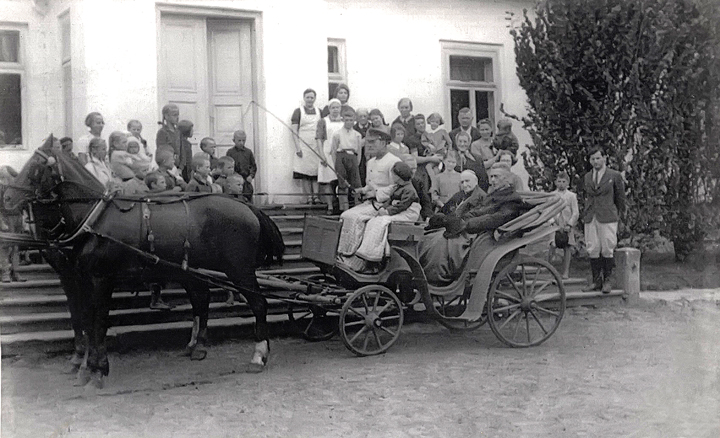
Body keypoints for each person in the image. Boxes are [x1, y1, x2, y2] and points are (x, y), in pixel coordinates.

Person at [419, 165, 525, 286]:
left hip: (486, 237)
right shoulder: (495, 195)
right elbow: (480, 211)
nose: (492, 180)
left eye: (496, 177)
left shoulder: (512, 200)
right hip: (478, 232)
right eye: (491, 177)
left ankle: (438, 277)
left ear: (507, 179)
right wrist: (461, 219)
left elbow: (494, 218)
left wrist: (467, 224)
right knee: (434, 236)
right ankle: (427, 274)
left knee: (443, 242)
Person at [337, 127, 402, 259]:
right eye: (368, 142)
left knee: (353, 218)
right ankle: (344, 254)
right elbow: (369, 185)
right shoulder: (370, 162)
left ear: (383, 143)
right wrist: (362, 190)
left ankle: (354, 257)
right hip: (369, 204)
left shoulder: (394, 161)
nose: (369, 145)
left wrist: (375, 194)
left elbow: (396, 188)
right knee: (345, 216)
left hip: (384, 205)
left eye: (373, 142)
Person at [350, 161, 421, 269]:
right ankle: (368, 250)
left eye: (393, 174)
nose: (392, 176)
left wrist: (388, 212)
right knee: (373, 220)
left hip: (408, 213)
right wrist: (383, 208)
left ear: (399, 176)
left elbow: (403, 205)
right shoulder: (397, 187)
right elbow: (390, 200)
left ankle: (375, 253)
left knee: (381, 221)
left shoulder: (409, 190)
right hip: (399, 210)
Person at [582, 146, 626, 293]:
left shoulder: (614, 175)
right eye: (593, 159)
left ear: (604, 158)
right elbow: (587, 196)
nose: (595, 161)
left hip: (607, 216)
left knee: (607, 247)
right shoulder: (587, 177)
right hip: (591, 215)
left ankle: (608, 280)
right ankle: (596, 281)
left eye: (598, 158)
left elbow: (620, 199)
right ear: (590, 160)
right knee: (593, 247)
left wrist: (618, 216)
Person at [291, 88, 321, 204]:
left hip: (316, 145)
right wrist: (298, 148)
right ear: (304, 98)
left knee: (316, 172)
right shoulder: (298, 112)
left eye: (312, 97)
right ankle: (308, 197)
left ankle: (316, 197)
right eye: (308, 97)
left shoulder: (319, 111)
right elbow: (294, 131)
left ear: (315, 99)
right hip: (303, 145)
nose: (310, 99)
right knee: (305, 173)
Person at [548, 171, 579, 279]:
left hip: (566, 224)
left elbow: (575, 212)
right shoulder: (552, 195)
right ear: (555, 182)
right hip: (555, 224)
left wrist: (569, 224)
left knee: (567, 247)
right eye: (559, 181)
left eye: (563, 181)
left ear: (568, 183)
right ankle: (550, 271)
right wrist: (552, 221)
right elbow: (548, 210)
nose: (561, 184)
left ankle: (565, 272)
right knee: (552, 245)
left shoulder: (571, 196)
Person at [331, 108, 362, 212]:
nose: (349, 122)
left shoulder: (357, 135)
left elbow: (359, 151)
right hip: (341, 156)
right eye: (346, 120)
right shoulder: (337, 134)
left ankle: (357, 208)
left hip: (352, 157)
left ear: (354, 120)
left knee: (356, 183)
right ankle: (343, 208)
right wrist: (336, 164)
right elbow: (334, 150)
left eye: (351, 120)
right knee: (342, 183)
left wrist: (356, 163)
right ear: (343, 119)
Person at [316, 99, 344, 213]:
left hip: (340, 153)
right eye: (333, 107)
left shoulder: (344, 122)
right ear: (329, 108)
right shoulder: (323, 121)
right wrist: (321, 155)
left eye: (337, 107)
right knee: (327, 181)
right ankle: (330, 206)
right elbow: (319, 139)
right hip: (327, 153)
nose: (335, 110)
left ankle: (341, 206)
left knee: (341, 181)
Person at [0, 165, 25, 283]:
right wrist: (1, 222)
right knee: (5, 246)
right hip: (5, 217)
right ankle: (5, 273)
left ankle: (16, 272)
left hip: (17, 217)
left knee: (16, 246)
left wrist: (22, 221)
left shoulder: (17, 189)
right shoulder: (1, 188)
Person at [226, 130, 256, 202]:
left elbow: (253, 166)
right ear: (234, 140)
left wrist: (251, 175)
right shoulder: (230, 152)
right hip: (235, 182)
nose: (241, 143)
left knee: (248, 199)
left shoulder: (248, 152)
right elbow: (227, 166)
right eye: (239, 140)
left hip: (246, 182)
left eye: (243, 140)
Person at [401, 154, 433, 221]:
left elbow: (425, 201)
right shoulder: (396, 181)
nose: (413, 171)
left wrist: (428, 216)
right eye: (410, 168)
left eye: (415, 168)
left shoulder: (417, 182)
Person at [353, 108, 371, 186]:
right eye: (360, 116)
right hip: (358, 156)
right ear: (356, 118)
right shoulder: (353, 128)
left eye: (365, 116)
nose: (363, 118)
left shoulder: (372, 127)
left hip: (371, 154)